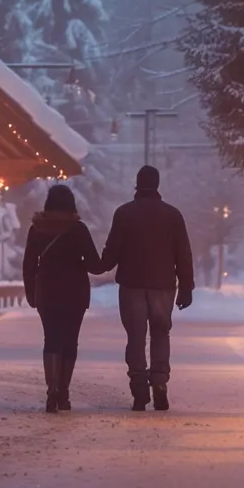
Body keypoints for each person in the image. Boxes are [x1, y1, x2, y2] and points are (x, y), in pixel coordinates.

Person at [99, 165, 194, 412]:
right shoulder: (173, 215)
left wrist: (95, 264)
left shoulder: (124, 213)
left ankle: (139, 388)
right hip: (163, 286)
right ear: (157, 184)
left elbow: (112, 253)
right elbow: (183, 253)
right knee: (161, 333)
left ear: (137, 184)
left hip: (131, 286)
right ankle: (160, 382)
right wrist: (186, 286)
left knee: (136, 337)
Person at [22, 184, 103, 413]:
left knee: (51, 339)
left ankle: (52, 390)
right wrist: (113, 257)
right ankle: (64, 392)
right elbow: (94, 265)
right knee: (70, 342)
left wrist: (31, 292)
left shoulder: (37, 229)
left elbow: (29, 264)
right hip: (74, 293)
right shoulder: (77, 229)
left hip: (47, 292)